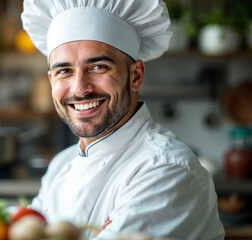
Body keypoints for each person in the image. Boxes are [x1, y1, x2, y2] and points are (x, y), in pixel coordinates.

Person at [21, 0, 225, 239]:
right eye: (64, 71)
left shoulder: (166, 169)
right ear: (51, 79)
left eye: (98, 67)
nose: (79, 89)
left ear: (136, 76)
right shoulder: (61, 166)